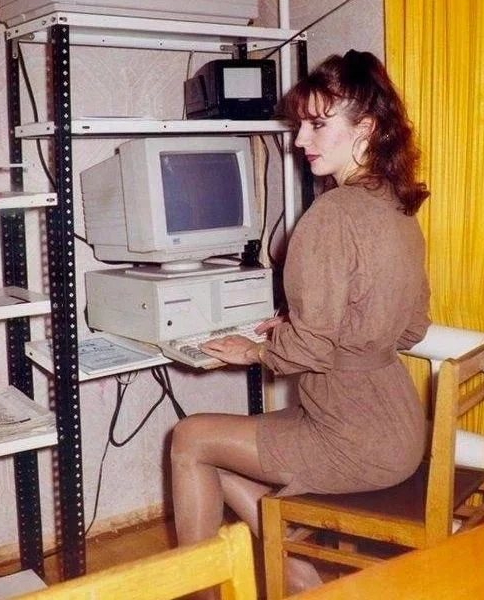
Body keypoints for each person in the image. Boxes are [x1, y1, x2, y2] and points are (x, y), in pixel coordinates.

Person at [170, 50, 431, 595]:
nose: (300, 140)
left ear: (366, 128)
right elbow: (411, 329)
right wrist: (306, 325)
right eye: (300, 125)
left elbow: (308, 353)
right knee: (216, 455)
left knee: (189, 438)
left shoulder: (330, 216)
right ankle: (302, 578)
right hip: (400, 428)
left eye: (317, 125)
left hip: (352, 439)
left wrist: (255, 350)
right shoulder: (396, 207)